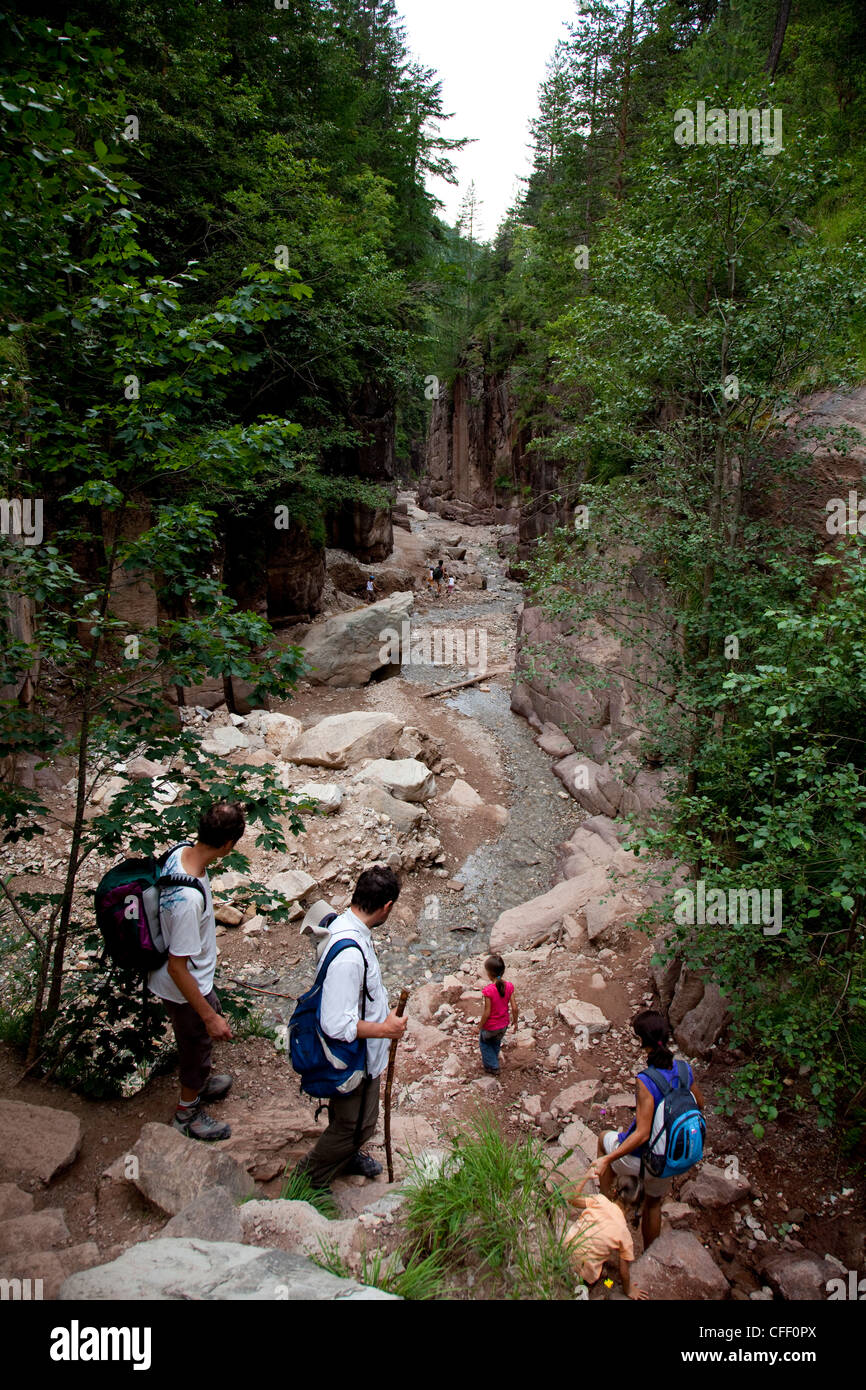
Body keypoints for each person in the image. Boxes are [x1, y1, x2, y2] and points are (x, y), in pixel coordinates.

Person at [298, 866, 407, 1189]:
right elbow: (335, 1024)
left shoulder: (348, 927)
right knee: (357, 1125)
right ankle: (308, 1180)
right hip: (352, 1055)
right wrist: (385, 1030)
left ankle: (346, 1158)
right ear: (386, 906)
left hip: (359, 1052)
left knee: (351, 1116)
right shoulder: (350, 956)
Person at [148, 801, 246, 1141]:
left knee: (198, 1043)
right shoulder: (188, 902)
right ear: (228, 846)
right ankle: (186, 1114)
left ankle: (200, 1085)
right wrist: (208, 1016)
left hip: (187, 976)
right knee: (195, 1048)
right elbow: (178, 969)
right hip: (182, 984)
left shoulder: (180, 852)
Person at [591, 1010, 706, 1249]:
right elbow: (700, 1104)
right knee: (654, 1204)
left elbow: (642, 1133)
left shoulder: (647, 1080)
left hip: (645, 1159)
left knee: (604, 1139)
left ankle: (603, 1207)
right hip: (670, 1161)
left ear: (643, 1042)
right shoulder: (685, 1070)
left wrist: (609, 1158)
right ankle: (651, 1254)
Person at [565, 1168, 648, 1299]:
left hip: (564, 1251)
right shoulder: (624, 1234)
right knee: (608, 1281)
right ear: (635, 1208)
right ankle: (604, 1286)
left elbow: (571, 1199)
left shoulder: (599, 1200)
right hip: (584, 1273)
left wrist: (586, 1177)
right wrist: (629, 1290)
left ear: (615, 1191)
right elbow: (624, 1272)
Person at [478, 953, 517, 1075]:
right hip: (504, 1024)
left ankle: (493, 1067)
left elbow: (487, 1012)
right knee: (495, 1042)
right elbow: (515, 1008)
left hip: (491, 1026)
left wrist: (479, 1026)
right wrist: (515, 1021)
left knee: (484, 1044)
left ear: (489, 974)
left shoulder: (488, 990)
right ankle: (494, 1059)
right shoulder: (509, 986)